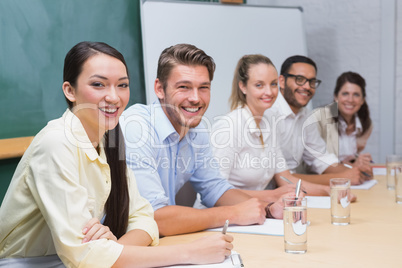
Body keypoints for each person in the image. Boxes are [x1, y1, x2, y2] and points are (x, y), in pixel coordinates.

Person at [0, 41, 234, 267]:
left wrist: (113, 250)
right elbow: (85, 256)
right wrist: (190, 252)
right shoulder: (56, 143)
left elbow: (144, 218)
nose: (114, 97)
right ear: (70, 91)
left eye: (122, 85)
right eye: (99, 85)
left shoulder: (110, 138)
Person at [120, 44, 295, 237]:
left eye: (203, 88)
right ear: (160, 89)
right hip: (119, 245)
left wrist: (269, 209)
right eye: (184, 87)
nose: (195, 98)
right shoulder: (136, 127)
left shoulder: (197, 129)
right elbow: (155, 218)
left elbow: (215, 188)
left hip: (160, 241)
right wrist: (233, 213)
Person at [209, 54, 330, 200]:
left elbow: (285, 178)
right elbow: (215, 191)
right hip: (224, 217)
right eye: (259, 85)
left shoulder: (268, 123)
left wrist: (329, 190)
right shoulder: (230, 127)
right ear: (243, 86)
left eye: (273, 84)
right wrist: (271, 195)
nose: (269, 92)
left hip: (254, 214)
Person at [270, 55, 371, 185]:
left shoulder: (305, 116)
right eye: (299, 79)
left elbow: (321, 159)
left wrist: (356, 171)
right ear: (282, 81)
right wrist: (342, 178)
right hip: (268, 194)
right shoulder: (268, 113)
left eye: (312, 82)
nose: (307, 86)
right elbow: (277, 178)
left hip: (292, 193)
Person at [314, 71, 373, 172]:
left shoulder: (366, 124)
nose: (350, 100)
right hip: (323, 178)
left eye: (356, 95)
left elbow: (351, 159)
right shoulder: (319, 118)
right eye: (345, 94)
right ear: (336, 97)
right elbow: (314, 162)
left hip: (347, 177)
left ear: (362, 100)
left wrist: (360, 161)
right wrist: (347, 165)